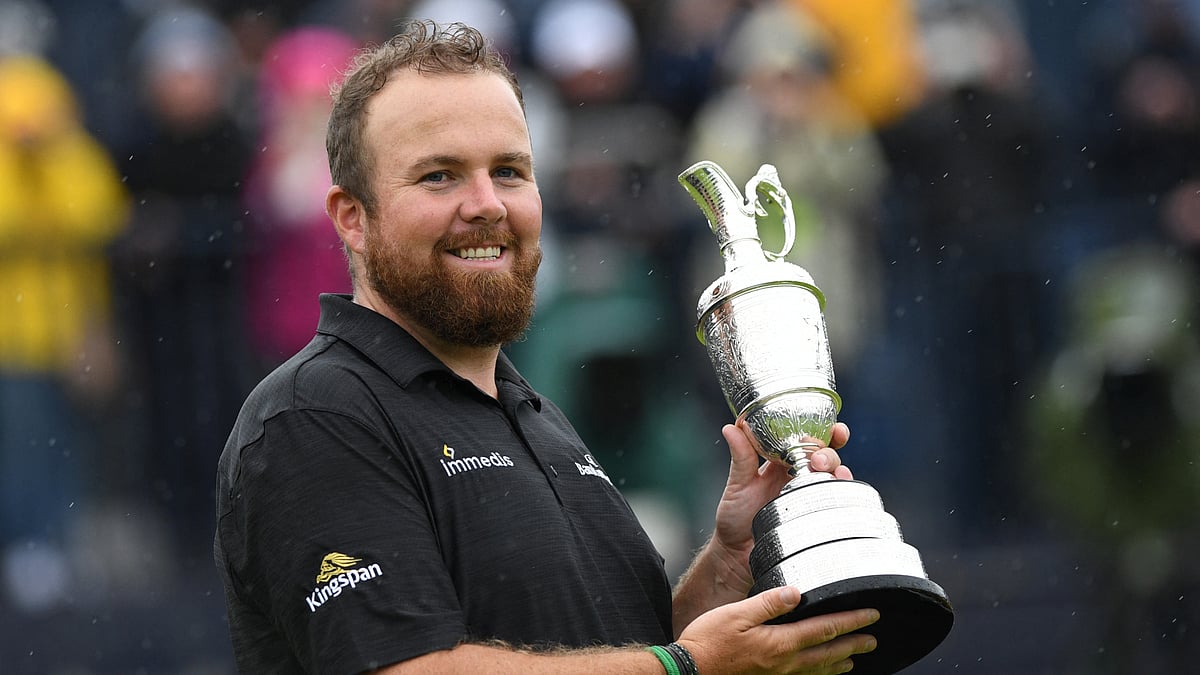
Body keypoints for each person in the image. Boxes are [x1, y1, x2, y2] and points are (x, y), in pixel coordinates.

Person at [214, 20, 879, 674]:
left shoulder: (536, 415)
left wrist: (728, 562)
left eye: (508, 171)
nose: (486, 204)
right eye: (439, 176)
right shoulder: (314, 418)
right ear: (352, 218)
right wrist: (692, 668)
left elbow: (629, 649)